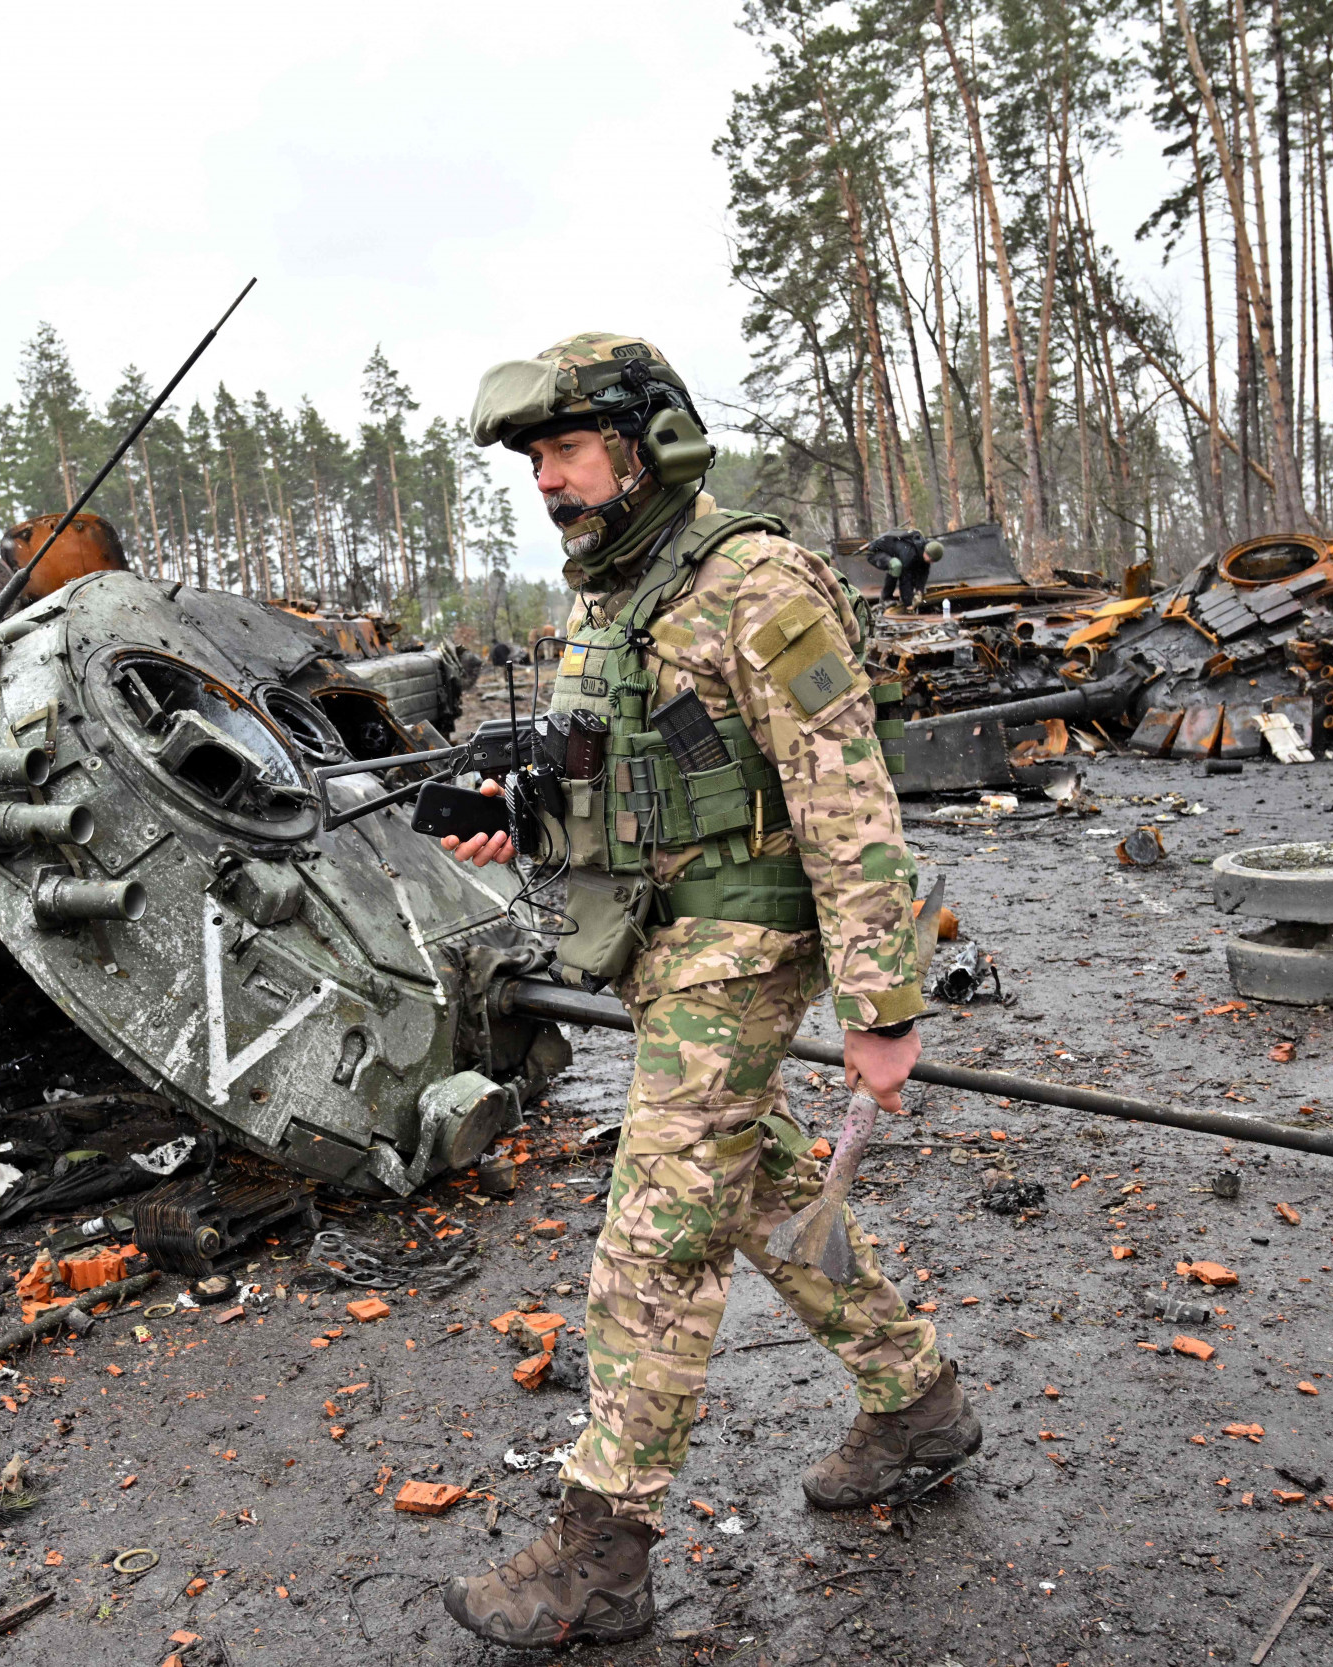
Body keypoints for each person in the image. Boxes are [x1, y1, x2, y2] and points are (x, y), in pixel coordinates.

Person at [438, 334, 982, 1648]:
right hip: (659, 933)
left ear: (645, 444)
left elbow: (849, 798)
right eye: (537, 461)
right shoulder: (614, 595)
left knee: (658, 1225)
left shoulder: (759, 583)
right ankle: (916, 1397)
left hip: (743, 932)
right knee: (756, 1179)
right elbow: (626, 776)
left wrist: (882, 1006)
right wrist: (519, 812)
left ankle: (599, 1547)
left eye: (566, 451)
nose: (550, 481)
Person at [863, 527, 943, 610]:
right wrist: (908, 603)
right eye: (931, 559)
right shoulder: (909, 554)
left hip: (893, 553)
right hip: (875, 553)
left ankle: (900, 598)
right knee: (896, 565)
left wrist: (919, 590)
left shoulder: (924, 550)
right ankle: (886, 598)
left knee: (906, 568)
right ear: (927, 553)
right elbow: (905, 579)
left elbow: (923, 574)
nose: (931, 562)